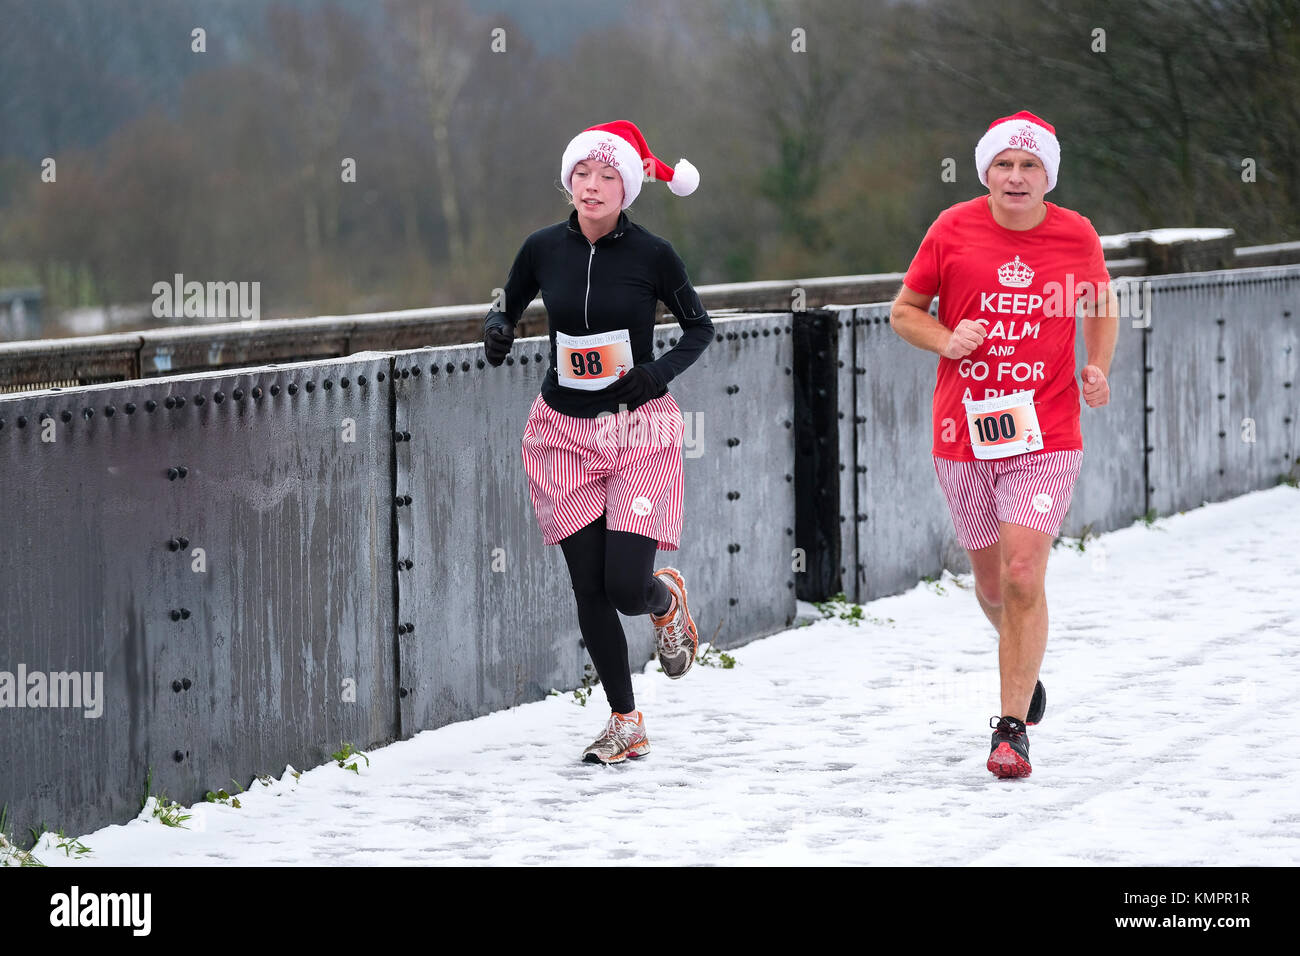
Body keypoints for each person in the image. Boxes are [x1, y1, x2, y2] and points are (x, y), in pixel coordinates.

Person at [889, 110, 1118, 778]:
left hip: (1046, 430)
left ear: (1048, 175)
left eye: (1030, 166)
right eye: (1004, 165)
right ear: (986, 170)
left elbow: (1101, 305)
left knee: (1023, 575)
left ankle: (1010, 729)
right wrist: (943, 338)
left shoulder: (1075, 235)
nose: (1016, 177)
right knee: (991, 584)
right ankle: (1024, 661)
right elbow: (903, 311)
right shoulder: (951, 228)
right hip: (963, 433)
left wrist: (1097, 366)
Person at [482, 120, 714, 764]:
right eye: (582, 174)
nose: (592, 186)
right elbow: (507, 305)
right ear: (568, 181)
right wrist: (497, 329)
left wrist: (656, 373)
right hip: (561, 436)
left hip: (636, 431)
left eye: (608, 176)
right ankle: (625, 720)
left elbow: (700, 328)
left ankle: (663, 600)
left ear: (628, 187)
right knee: (588, 590)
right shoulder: (540, 249)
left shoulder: (654, 256)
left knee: (622, 588)